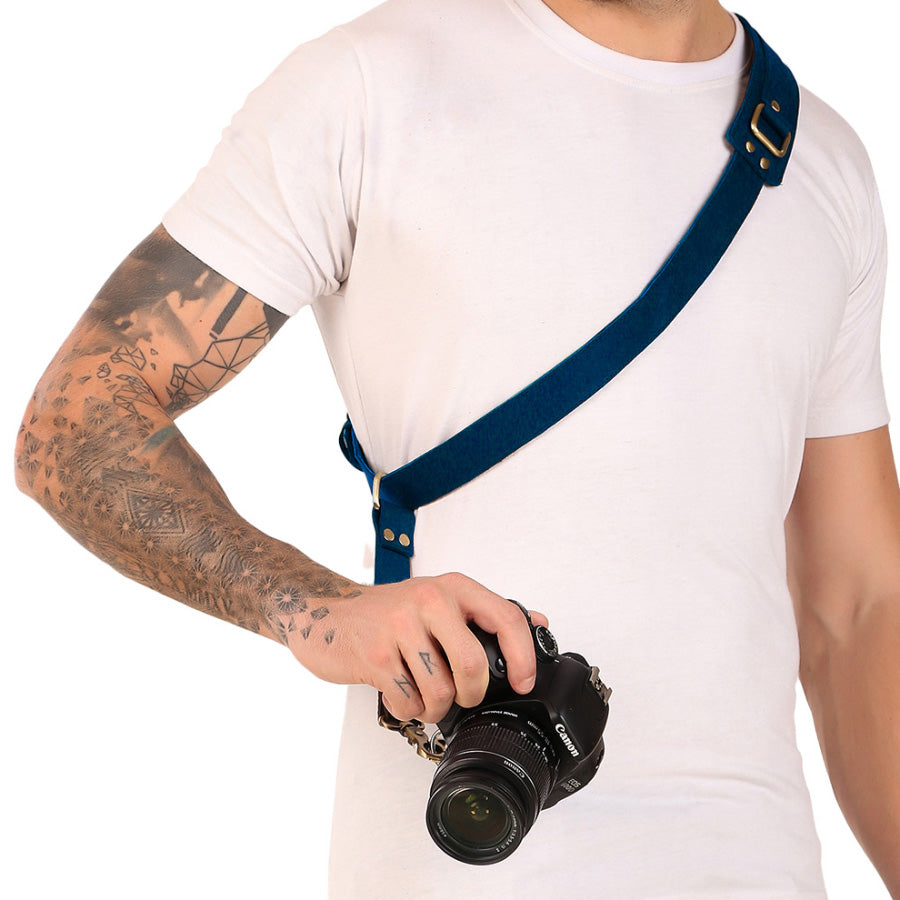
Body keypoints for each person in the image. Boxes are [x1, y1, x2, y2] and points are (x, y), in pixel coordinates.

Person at [13, 0, 899, 896]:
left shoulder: (822, 159)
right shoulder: (367, 86)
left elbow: (860, 603)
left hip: (759, 867)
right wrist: (318, 609)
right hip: (460, 863)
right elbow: (71, 428)